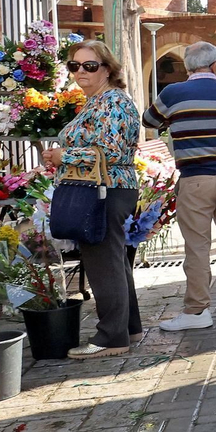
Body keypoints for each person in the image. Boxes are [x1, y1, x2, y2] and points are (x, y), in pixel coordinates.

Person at [42, 39, 143, 358]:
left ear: (108, 69)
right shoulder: (97, 101)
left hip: (106, 188)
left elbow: (109, 152)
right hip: (105, 187)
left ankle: (111, 338)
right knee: (112, 259)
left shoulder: (112, 101)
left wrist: (64, 156)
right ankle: (128, 328)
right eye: (74, 66)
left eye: (89, 66)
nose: (80, 72)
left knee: (103, 262)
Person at [142, 41, 216, 330]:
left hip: (196, 179)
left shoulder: (173, 93)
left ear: (188, 67)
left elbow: (149, 120)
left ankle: (196, 311)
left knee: (198, 246)